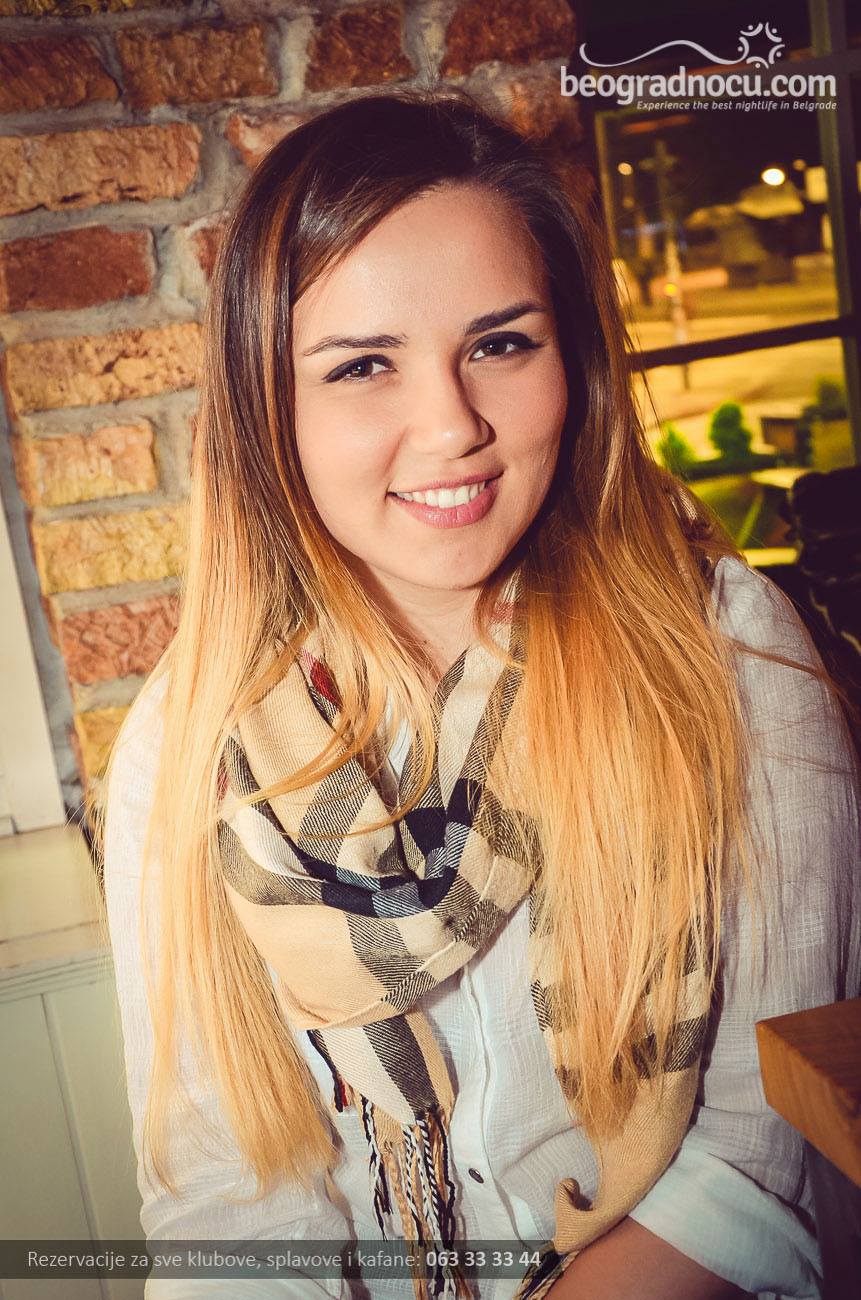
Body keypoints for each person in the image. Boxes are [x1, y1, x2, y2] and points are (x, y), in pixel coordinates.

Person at [96, 86, 860, 1300]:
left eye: (501, 344)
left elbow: (753, 1167)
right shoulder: (184, 747)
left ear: (574, 356)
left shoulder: (727, 651)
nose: (451, 425)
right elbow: (229, 1218)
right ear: (266, 409)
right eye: (362, 365)